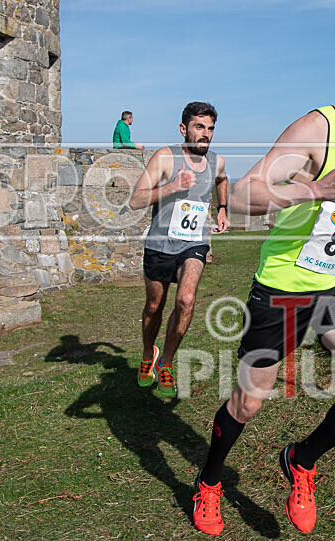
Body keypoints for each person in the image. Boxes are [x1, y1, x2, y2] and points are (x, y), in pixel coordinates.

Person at [190, 34, 335, 536]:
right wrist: (316, 187)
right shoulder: (318, 129)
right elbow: (247, 192)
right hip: (284, 285)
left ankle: (301, 459)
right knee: (249, 401)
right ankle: (210, 481)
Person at [127, 102, 230, 398]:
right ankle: (149, 353)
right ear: (184, 129)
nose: (205, 134)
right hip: (159, 245)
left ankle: (167, 363)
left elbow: (222, 180)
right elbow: (135, 200)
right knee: (154, 307)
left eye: (210, 128)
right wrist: (172, 187)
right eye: (199, 127)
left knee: (186, 300)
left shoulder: (216, 162)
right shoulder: (165, 157)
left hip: (194, 243)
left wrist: (222, 208)